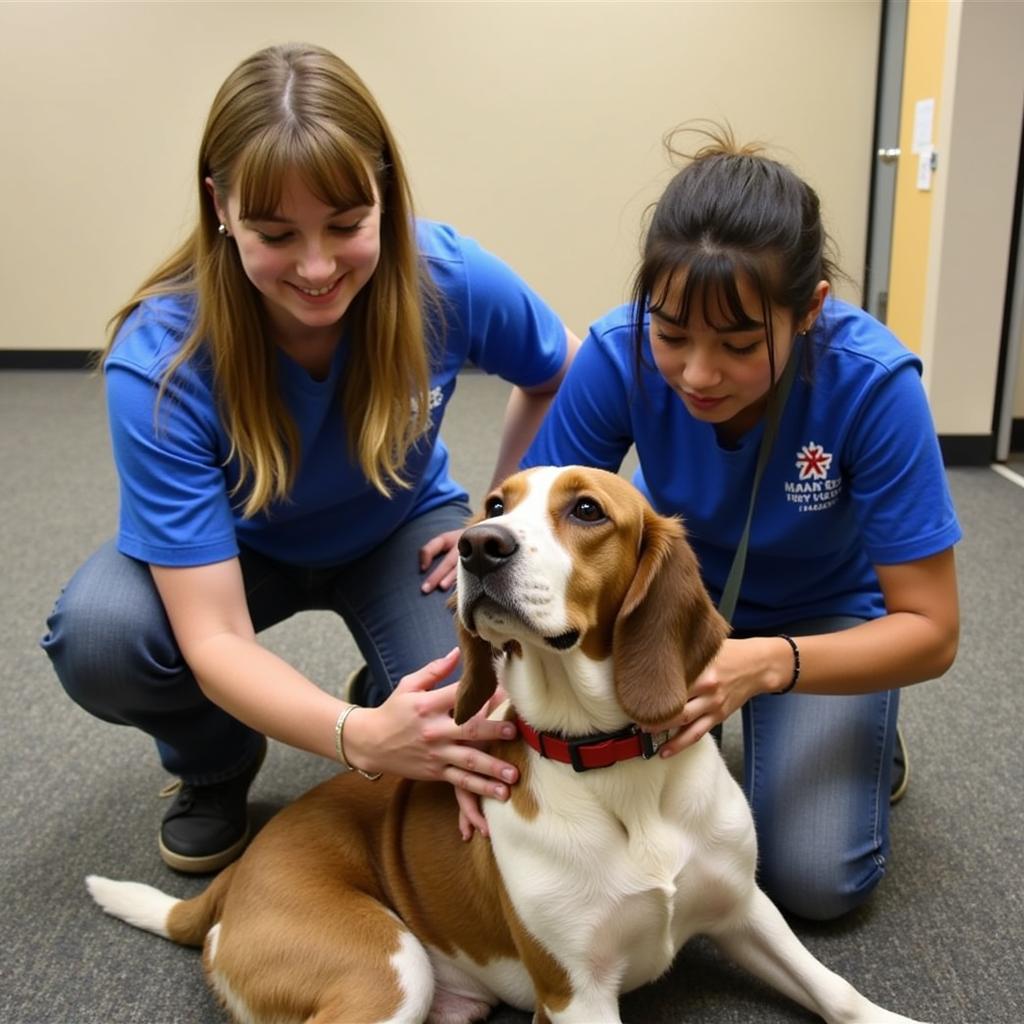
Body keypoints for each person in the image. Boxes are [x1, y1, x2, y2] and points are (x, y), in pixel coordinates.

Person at [41, 42, 579, 874]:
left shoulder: (446, 274)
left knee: (472, 741)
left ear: (383, 193)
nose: (319, 267)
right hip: (236, 553)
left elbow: (559, 372)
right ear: (219, 206)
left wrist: (501, 519)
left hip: (401, 529)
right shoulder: (162, 360)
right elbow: (214, 632)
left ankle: (388, 687)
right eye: (276, 233)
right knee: (103, 635)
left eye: (346, 225)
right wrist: (355, 738)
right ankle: (216, 765)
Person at [523, 126, 961, 921]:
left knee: (814, 882)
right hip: (668, 605)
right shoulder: (617, 353)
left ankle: (845, 717)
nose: (697, 373)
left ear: (810, 311)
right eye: (672, 334)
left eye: (737, 343)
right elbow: (539, 537)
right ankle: (788, 714)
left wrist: (769, 664)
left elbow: (932, 631)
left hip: (819, 620)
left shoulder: (874, 385)